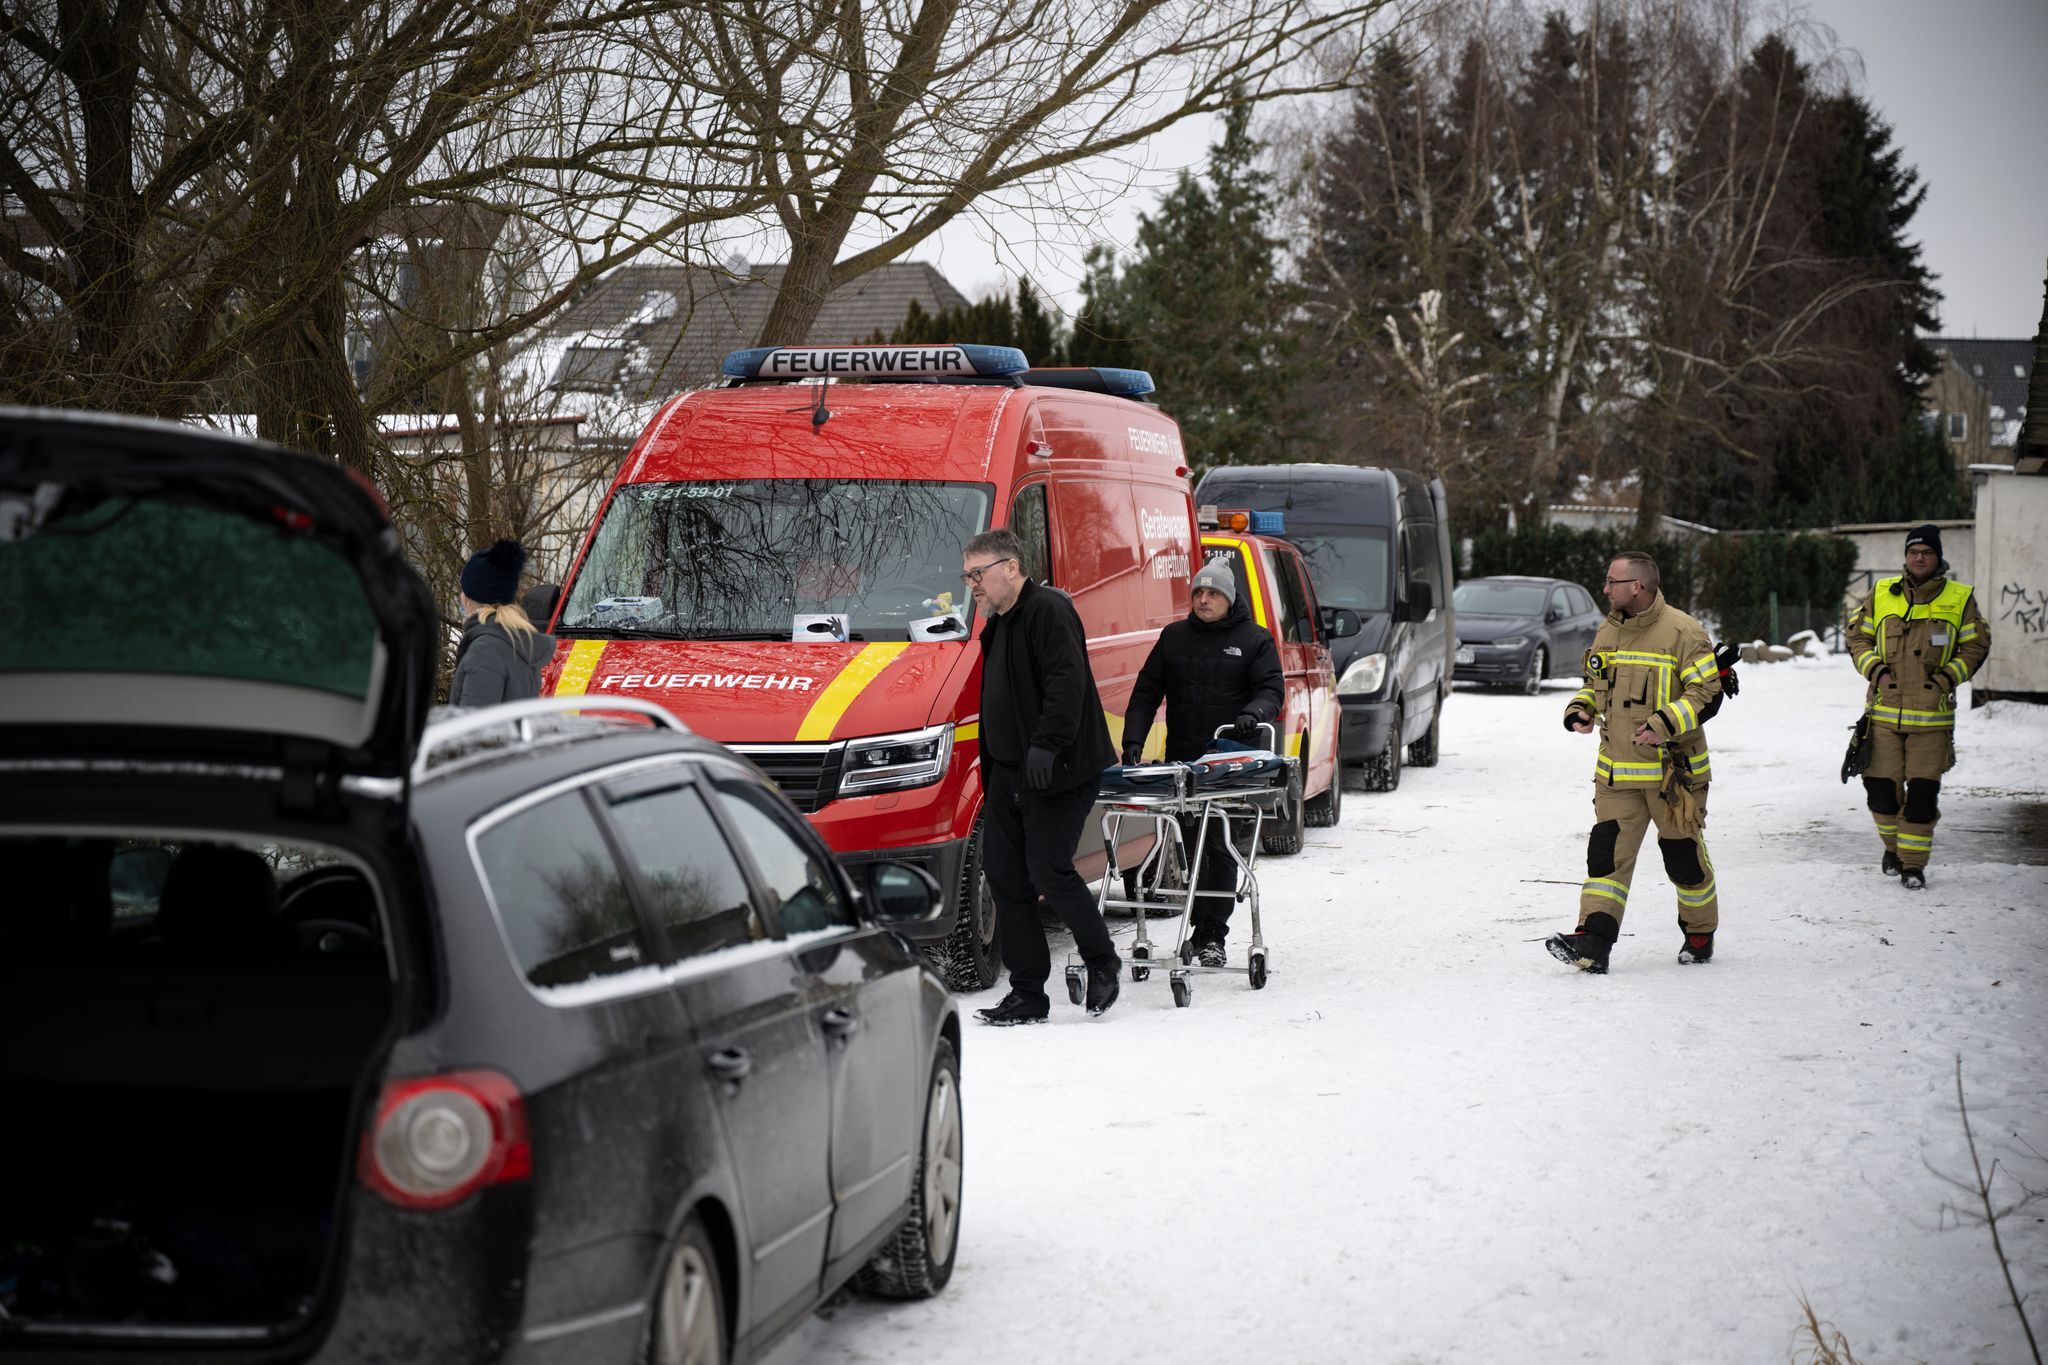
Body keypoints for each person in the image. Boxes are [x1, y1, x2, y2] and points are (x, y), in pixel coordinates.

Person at [962, 529, 1122, 1024]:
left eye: (978, 574)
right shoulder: (999, 624)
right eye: (967, 576)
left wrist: (1047, 745)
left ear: (1011, 567)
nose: (973, 586)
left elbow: (1066, 682)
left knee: (1049, 870)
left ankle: (1102, 960)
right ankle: (1027, 992)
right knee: (1007, 877)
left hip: (1060, 771)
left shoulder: (1048, 609)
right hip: (1010, 774)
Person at [1545, 552, 1722, 974]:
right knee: (1606, 859)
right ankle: (1593, 941)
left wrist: (1664, 722)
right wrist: (1579, 709)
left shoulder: (1684, 632)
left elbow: (1707, 694)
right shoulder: (1609, 630)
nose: (1605, 590)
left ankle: (1699, 932)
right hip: (1616, 773)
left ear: (1636, 587)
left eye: (1612, 582)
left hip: (1672, 777)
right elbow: (1593, 683)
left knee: (1683, 858)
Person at [1119, 560, 1284, 967]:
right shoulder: (1174, 638)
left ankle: (1213, 935)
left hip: (1231, 760)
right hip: (1184, 762)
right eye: (1198, 593)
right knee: (1190, 843)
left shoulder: (1254, 639)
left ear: (1229, 598)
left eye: (1212, 594)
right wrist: (1133, 739)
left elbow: (1272, 689)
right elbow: (1145, 692)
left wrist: (1254, 711)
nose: (1204, 600)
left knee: (1220, 844)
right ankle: (1199, 925)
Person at [1843, 524, 1991, 890]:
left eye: (1927, 552)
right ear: (1906, 557)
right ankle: (1893, 849)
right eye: (1913, 552)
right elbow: (1857, 637)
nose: (1919, 557)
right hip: (1883, 717)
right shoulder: (1881, 593)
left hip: (1931, 719)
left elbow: (1976, 646)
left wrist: (1946, 679)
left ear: (1938, 557)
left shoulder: (1960, 598)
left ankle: (1913, 866)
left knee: (1922, 798)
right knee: (1879, 791)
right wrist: (1875, 671)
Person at [449, 539, 556, 706]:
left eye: (463, 590)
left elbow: (474, 726)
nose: (461, 597)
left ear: (471, 597)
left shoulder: (485, 649)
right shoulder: (519, 640)